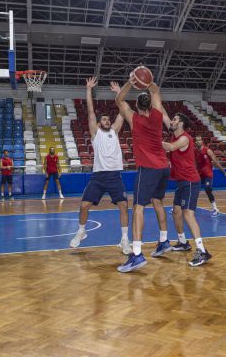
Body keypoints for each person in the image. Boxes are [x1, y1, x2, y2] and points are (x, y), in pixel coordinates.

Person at [111, 78, 171, 273]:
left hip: (148, 168)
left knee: (138, 208)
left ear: (137, 106)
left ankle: (136, 254)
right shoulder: (158, 114)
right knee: (158, 203)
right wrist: (148, 80)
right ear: (150, 104)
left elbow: (119, 100)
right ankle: (163, 241)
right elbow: (156, 90)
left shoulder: (134, 119)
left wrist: (131, 81)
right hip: (163, 167)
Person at [69, 77, 131, 254]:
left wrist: (119, 93)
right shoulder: (96, 134)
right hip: (98, 177)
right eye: (103, 119)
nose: (107, 120)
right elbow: (90, 110)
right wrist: (88, 89)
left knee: (123, 206)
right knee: (84, 206)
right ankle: (81, 232)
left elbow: (123, 110)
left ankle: (125, 239)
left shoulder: (115, 131)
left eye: (107, 119)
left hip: (114, 176)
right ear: (97, 123)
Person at [163, 114, 212, 266]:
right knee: (176, 212)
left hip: (191, 181)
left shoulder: (185, 138)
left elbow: (170, 148)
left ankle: (202, 251)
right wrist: (154, 94)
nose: (172, 121)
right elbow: (164, 114)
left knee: (188, 213)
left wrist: (151, 139)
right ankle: (183, 242)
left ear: (182, 123)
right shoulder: (175, 135)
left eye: (175, 119)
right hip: (181, 182)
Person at [194, 136, 226, 217]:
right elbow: (196, 163)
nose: (198, 141)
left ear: (202, 141)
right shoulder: (195, 151)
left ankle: (215, 209)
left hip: (208, 174)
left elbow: (216, 162)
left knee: (207, 189)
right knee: (192, 189)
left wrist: (225, 173)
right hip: (199, 174)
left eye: (199, 140)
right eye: (196, 140)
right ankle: (185, 207)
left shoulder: (208, 150)